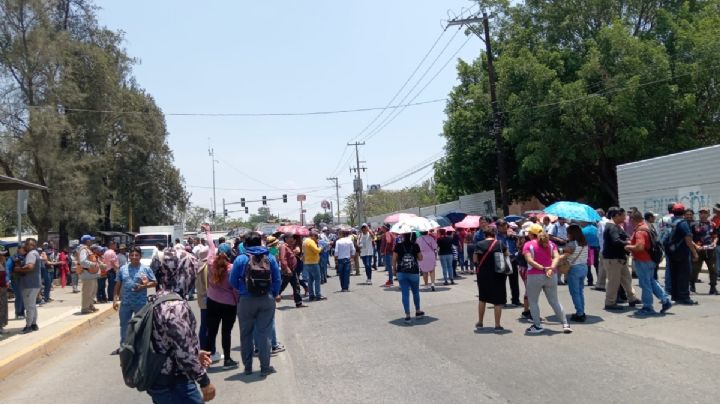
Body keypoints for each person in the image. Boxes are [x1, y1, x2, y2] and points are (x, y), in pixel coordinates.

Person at [147, 245, 215, 403]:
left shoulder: (158, 297)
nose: (192, 275)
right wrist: (204, 382)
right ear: (180, 272)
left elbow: (168, 340)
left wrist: (196, 352)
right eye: (190, 270)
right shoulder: (174, 306)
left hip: (159, 379)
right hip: (174, 383)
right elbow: (183, 352)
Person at [229, 232, 282, 377]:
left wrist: (241, 290)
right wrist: (274, 293)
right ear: (260, 242)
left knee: (246, 334)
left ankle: (248, 367)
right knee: (264, 334)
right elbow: (277, 279)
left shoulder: (240, 259)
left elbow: (232, 281)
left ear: (245, 244)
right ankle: (265, 367)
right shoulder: (270, 257)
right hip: (266, 299)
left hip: (246, 300)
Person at [522, 224, 572, 334]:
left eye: (529, 233)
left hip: (534, 275)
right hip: (551, 274)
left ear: (532, 234)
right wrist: (551, 268)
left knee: (533, 301)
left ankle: (537, 326)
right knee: (554, 301)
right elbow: (557, 257)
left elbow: (529, 260)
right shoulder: (551, 244)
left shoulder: (528, 245)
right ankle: (565, 324)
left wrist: (542, 268)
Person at [202, 224, 240, 370]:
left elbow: (211, 246)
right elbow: (235, 289)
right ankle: (227, 360)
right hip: (228, 304)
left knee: (211, 331)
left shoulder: (211, 262)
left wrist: (208, 232)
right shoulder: (231, 268)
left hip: (212, 301)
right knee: (226, 332)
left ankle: (206, 359)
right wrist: (236, 301)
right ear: (230, 254)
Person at [625, 211, 672, 315]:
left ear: (633, 219)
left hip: (643, 260)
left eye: (629, 220)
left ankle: (647, 307)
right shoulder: (648, 227)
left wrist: (628, 247)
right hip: (650, 259)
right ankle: (665, 300)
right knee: (651, 281)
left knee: (645, 284)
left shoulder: (640, 231)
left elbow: (640, 247)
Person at [111, 246, 156, 355]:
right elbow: (118, 284)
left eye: (136, 255)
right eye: (132, 255)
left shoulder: (145, 269)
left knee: (140, 326)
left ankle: (140, 347)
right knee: (124, 326)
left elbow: (154, 282)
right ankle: (124, 348)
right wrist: (115, 299)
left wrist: (142, 287)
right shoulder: (123, 269)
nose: (134, 257)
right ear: (129, 256)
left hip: (140, 303)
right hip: (126, 303)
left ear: (140, 256)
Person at [602, 208, 641, 311]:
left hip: (620, 258)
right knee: (613, 282)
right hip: (613, 259)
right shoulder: (612, 227)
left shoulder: (617, 226)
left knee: (627, 279)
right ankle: (610, 303)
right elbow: (616, 241)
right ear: (617, 215)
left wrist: (630, 240)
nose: (625, 218)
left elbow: (625, 236)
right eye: (623, 215)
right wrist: (628, 243)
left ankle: (632, 298)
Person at [474, 227, 507, 331]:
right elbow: (507, 256)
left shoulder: (479, 244)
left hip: (483, 275)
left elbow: (475, 259)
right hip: (498, 274)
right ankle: (497, 325)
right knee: (497, 300)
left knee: (482, 298)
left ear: (485, 235)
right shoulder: (500, 244)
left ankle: (480, 322)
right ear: (495, 235)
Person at [665, 203, 699, 305]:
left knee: (674, 274)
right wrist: (695, 253)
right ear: (683, 212)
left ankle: (675, 296)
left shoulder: (670, 221)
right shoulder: (683, 223)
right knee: (684, 275)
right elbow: (688, 240)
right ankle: (684, 297)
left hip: (671, 253)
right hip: (682, 253)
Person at [392, 232, 424, 323]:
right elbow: (420, 258)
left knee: (405, 294)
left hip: (401, 272)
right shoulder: (415, 245)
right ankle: (417, 311)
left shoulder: (398, 246)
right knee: (415, 292)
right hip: (414, 272)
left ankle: (407, 315)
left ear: (402, 235)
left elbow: (394, 259)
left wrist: (394, 269)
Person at [563, 225, 589, 322]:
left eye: (568, 233)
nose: (567, 234)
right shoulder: (584, 243)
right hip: (584, 267)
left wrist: (562, 249)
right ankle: (581, 310)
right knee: (580, 291)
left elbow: (565, 252)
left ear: (572, 234)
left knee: (575, 292)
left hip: (574, 269)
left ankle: (580, 313)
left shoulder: (572, 244)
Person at [16, 238, 42, 333]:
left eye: (28, 244)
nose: (26, 246)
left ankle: (28, 326)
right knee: (32, 305)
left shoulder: (31, 254)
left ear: (33, 245)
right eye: (26, 244)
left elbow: (30, 266)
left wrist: (19, 269)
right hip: (34, 283)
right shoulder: (35, 253)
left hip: (30, 284)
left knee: (29, 306)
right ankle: (34, 324)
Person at [690, 207, 717, 294]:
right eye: (701, 213)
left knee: (713, 269)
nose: (703, 214)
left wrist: (715, 242)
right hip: (698, 250)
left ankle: (713, 287)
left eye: (705, 213)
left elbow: (715, 235)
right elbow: (689, 238)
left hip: (710, 250)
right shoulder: (694, 224)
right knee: (695, 269)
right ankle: (692, 285)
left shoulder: (713, 224)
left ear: (708, 214)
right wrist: (695, 246)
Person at [496, 220, 521, 305]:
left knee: (514, 281)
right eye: (501, 226)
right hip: (501, 259)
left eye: (505, 225)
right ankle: (502, 301)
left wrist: (516, 237)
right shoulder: (496, 237)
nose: (504, 227)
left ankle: (515, 300)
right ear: (498, 227)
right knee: (501, 282)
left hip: (513, 259)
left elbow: (518, 246)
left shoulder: (512, 235)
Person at [278, 234, 306, 307]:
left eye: (293, 238)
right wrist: (287, 269)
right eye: (291, 238)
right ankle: (272, 299)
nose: (293, 239)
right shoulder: (283, 247)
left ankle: (298, 303)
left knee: (296, 286)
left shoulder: (288, 247)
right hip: (288, 271)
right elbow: (282, 258)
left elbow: (290, 256)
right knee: (282, 286)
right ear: (286, 238)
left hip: (292, 270)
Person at [78, 235, 102, 314]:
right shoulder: (83, 250)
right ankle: (85, 308)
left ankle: (90, 305)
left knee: (93, 291)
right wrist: (93, 264)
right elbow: (83, 262)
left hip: (92, 274)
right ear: (87, 241)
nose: (92, 241)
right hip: (87, 274)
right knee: (87, 291)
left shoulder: (88, 249)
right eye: (91, 240)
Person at [302, 231, 325, 301]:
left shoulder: (304, 241)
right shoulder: (310, 241)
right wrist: (321, 247)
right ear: (313, 236)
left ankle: (311, 295)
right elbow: (316, 250)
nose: (317, 239)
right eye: (316, 237)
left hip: (307, 262)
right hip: (313, 262)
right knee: (317, 279)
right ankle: (318, 295)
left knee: (310, 280)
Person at [9, 244, 26, 319]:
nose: (24, 250)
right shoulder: (13, 258)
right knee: (19, 296)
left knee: (23, 296)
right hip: (16, 279)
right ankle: (18, 313)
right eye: (22, 249)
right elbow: (8, 267)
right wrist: (8, 279)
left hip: (24, 279)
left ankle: (22, 312)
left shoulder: (25, 257)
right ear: (18, 249)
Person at [582, 221, 600, 287]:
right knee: (597, 265)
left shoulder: (583, 230)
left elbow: (581, 240)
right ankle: (600, 280)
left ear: (585, 222)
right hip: (596, 247)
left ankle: (590, 280)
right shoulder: (596, 229)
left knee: (588, 265)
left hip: (588, 248)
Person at [0, 246, 8, 334]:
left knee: (3, 307)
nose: (4, 257)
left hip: (3, 289)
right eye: (2, 255)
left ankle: (1, 326)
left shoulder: (2, 265)